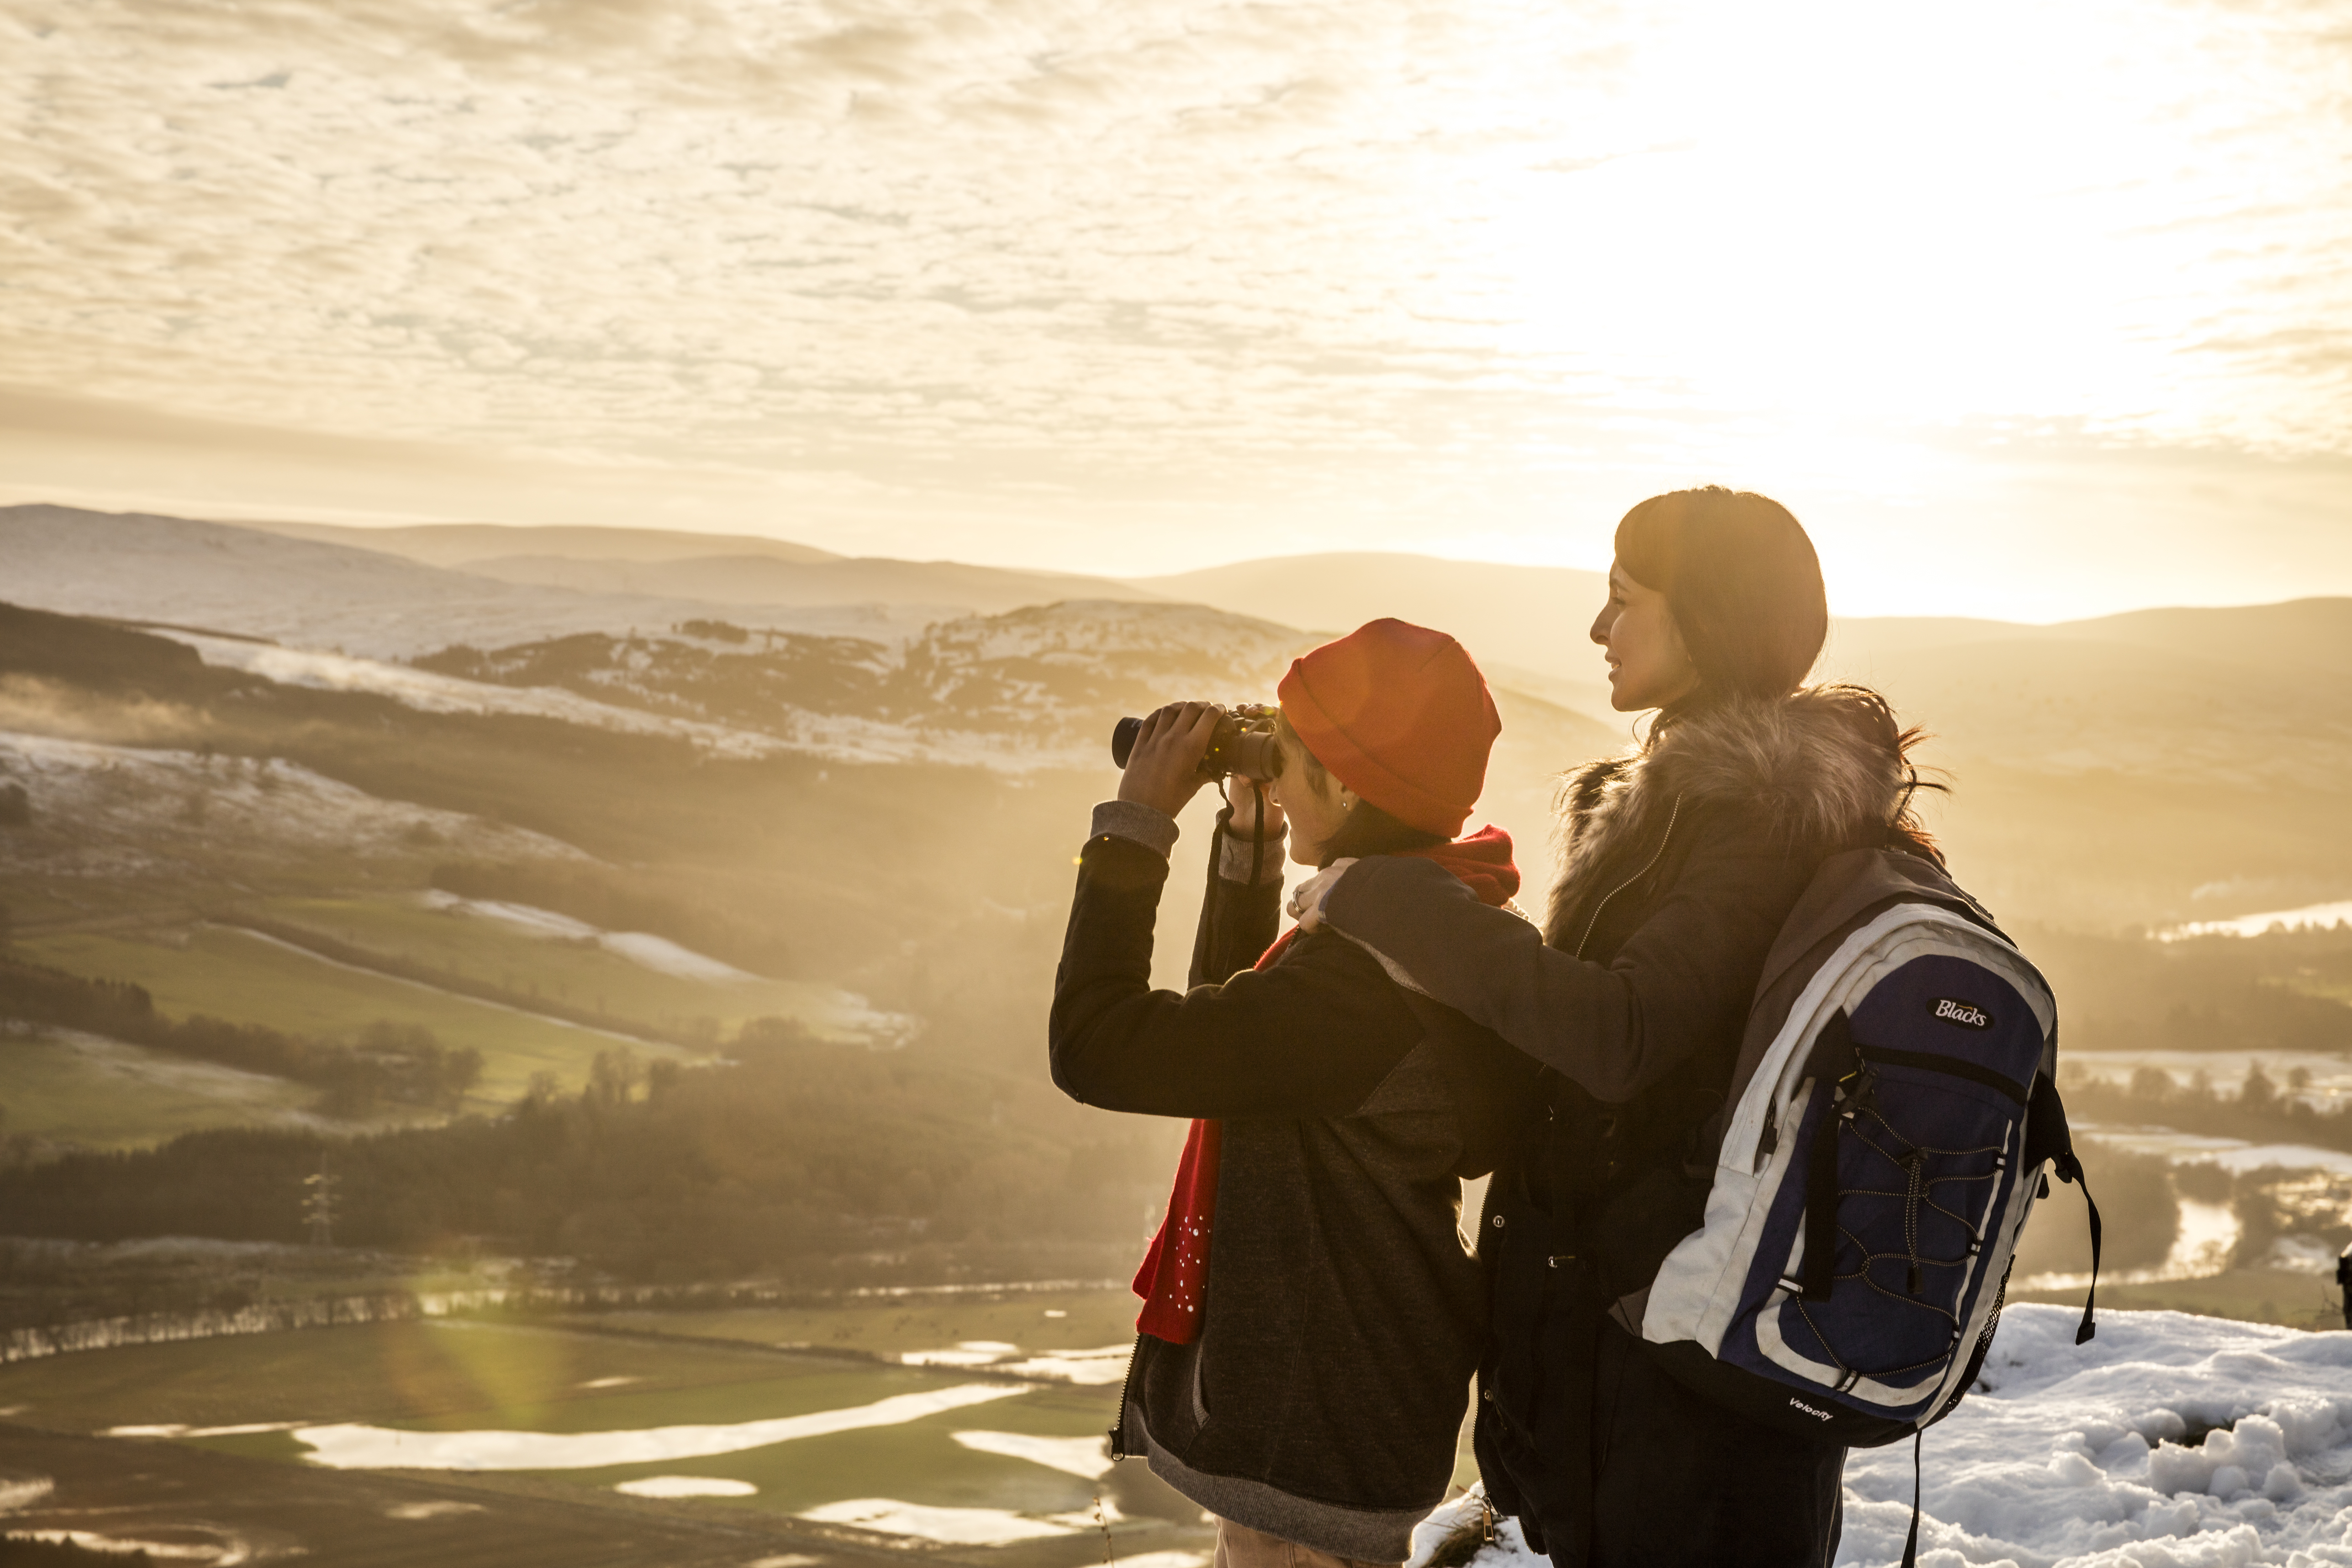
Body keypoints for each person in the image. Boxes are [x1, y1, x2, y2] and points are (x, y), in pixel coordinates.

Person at [1290, 489, 1944, 1567]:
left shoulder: (1758, 818)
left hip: (1694, 1404)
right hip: (1646, 1365)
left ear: (1706, 617)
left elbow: (1620, 1037)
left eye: (1622, 599)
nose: (1598, 630)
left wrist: (1391, 898)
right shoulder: (1683, 805)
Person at [1049, 619, 1542, 1568]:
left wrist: (1135, 825)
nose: (1272, 770)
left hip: (1305, 1441)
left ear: (1351, 786)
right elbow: (1246, 1055)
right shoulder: (1438, 923)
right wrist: (1249, 840)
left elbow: (1097, 1047)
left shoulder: (1361, 987)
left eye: (1291, 757)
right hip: (1347, 1401)